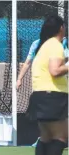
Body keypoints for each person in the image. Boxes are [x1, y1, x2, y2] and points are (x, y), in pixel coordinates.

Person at [17, 37, 69, 148]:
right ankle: (46, 139)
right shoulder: (37, 44)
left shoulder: (62, 44)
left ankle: (49, 139)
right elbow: (27, 63)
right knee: (46, 118)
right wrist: (19, 78)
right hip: (43, 87)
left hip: (59, 88)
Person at [29, 15, 68, 155]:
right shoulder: (55, 45)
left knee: (46, 137)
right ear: (61, 28)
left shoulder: (45, 45)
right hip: (52, 96)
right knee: (61, 137)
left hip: (40, 95)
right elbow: (55, 70)